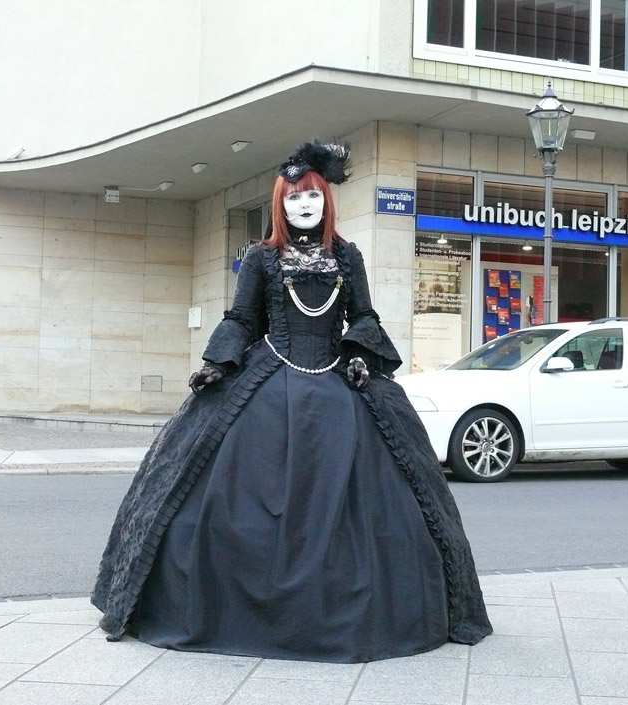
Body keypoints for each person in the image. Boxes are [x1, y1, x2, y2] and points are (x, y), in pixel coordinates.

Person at [91, 140, 492, 663]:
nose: (304, 206)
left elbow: (364, 316)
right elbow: (242, 319)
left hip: (337, 379)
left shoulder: (347, 255)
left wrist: (358, 355)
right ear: (280, 205)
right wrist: (219, 364)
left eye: (313, 197)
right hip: (267, 378)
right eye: (293, 199)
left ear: (327, 201)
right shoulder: (261, 258)